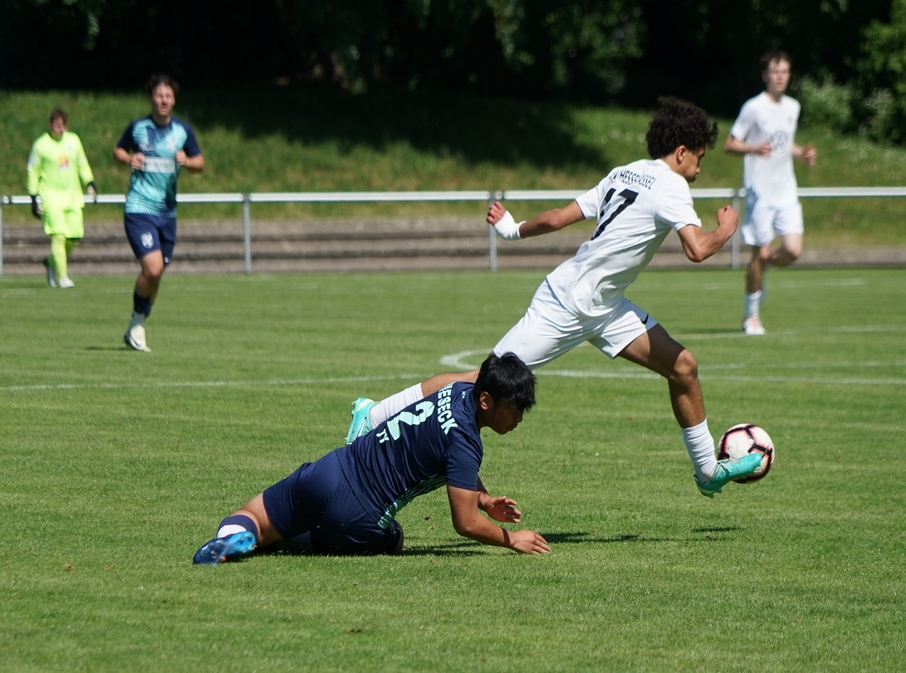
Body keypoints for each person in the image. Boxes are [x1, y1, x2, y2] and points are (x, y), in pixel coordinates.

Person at [346, 97, 763, 499]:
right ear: (681, 151)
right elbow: (697, 249)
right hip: (567, 305)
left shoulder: (625, 172)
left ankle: (707, 471)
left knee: (683, 367)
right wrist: (726, 229)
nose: (699, 169)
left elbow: (559, 218)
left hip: (604, 305)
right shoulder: (672, 185)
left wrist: (513, 229)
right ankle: (375, 413)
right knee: (480, 381)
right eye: (699, 158)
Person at [193, 354, 550, 564]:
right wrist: (512, 539)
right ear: (486, 401)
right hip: (358, 515)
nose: (519, 418)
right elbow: (466, 524)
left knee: (252, 515)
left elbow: (453, 465)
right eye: (515, 408)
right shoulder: (466, 442)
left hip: (329, 469)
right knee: (394, 540)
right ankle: (280, 541)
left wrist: (484, 499)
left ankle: (235, 537)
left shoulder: (456, 391)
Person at [724, 50, 817, 336]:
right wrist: (753, 148)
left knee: (793, 251)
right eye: (775, 71)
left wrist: (801, 154)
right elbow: (730, 144)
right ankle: (751, 317)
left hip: (786, 191)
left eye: (785, 71)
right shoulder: (753, 108)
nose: (780, 76)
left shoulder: (793, 107)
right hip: (759, 193)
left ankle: (762, 271)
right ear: (765, 75)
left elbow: (783, 143)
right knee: (760, 253)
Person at [114, 74, 204, 352]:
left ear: (173, 100)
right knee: (152, 269)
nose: (164, 100)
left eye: (168, 96)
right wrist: (129, 158)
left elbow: (200, 163)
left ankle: (137, 324)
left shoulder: (183, 130)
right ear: (151, 98)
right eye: (159, 95)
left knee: (157, 273)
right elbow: (118, 150)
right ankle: (137, 323)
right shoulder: (138, 128)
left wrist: (187, 161)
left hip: (167, 212)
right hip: (139, 208)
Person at [26, 109, 97, 289]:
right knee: (58, 236)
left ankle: (51, 262)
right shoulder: (41, 145)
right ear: (50, 125)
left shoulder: (73, 141)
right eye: (57, 125)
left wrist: (89, 181)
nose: (60, 128)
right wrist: (33, 196)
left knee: (74, 237)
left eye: (63, 125)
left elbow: (82, 163)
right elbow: (32, 171)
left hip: (73, 196)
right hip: (51, 197)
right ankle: (62, 276)